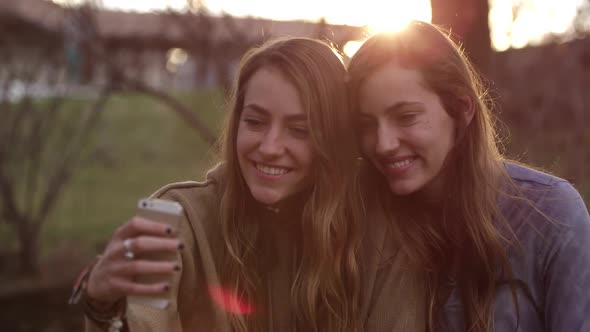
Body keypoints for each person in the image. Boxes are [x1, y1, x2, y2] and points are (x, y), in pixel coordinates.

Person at [72, 37, 423, 331]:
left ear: (332, 140)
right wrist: (101, 305)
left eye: (299, 130)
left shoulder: (378, 226)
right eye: (255, 121)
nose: (269, 147)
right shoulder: (178, 223)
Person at [347, 21, 590, 332]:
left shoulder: (549, 213)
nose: (382, 144)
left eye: (406, 117)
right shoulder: (368, 220)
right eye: (367, 124)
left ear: (461, 108)